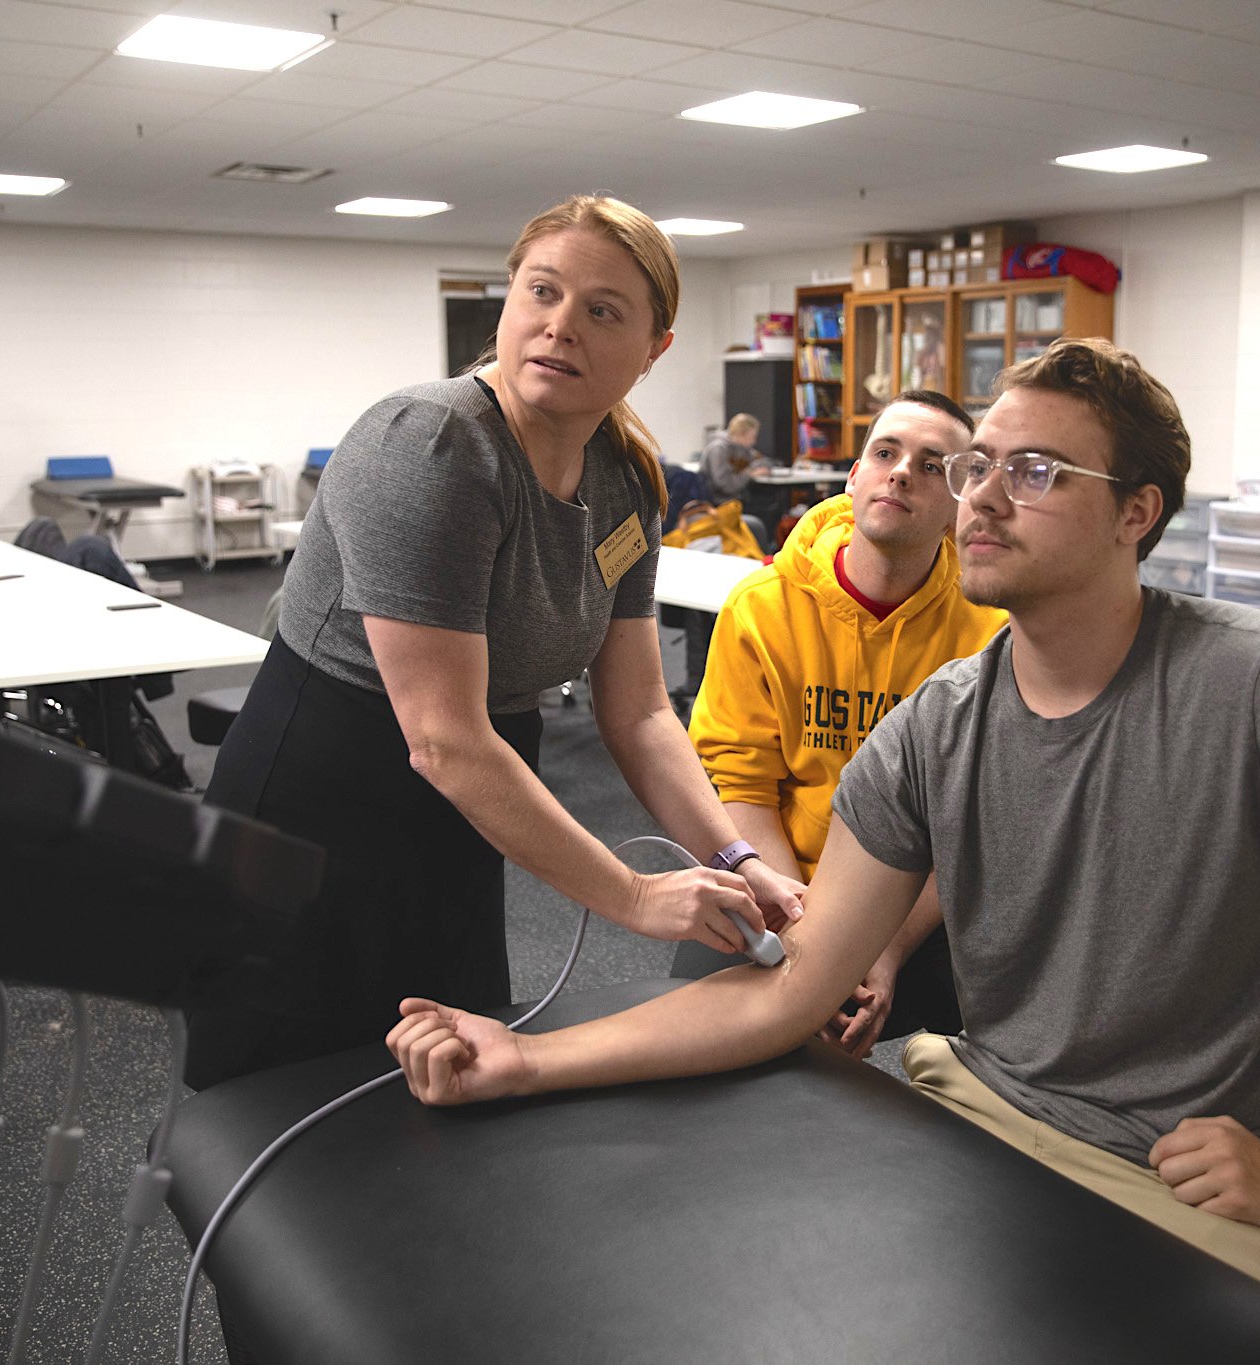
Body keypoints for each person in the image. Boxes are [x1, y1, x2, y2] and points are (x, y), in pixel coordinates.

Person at [388, 337, 1260, 1311]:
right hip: (976, 1113)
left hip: (1186, 1184)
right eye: (982, 468)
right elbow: (795, 987)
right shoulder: (935, 725)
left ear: (1135, 515)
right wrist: (524, 1060)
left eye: (1039, 473)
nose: (982, 498)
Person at [184, 194, 803, 1090]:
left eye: (602, 310)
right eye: (542, 293)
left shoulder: (625, 483)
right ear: (508, 303)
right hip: (322, 790)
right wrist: (632, 895)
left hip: (476, 800)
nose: (560, 327)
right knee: (278, 1095)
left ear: (654, 349)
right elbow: (441, 738)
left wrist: (736, 859)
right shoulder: (432, 445)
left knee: (452, 1067)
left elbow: (636, 713)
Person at [679, 389, 1005, 1057]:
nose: (901, 471)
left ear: (959, 502)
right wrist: (807, 937)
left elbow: (976, 823)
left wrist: (881, 947)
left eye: (931, 462)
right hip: (781, 885)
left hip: (916, 907)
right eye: (885, 452)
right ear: (854, 477)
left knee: (1011, 1057)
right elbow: (743, 786)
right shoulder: (761, 608)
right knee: (704, 1048)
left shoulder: (993, 633)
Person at [698, 413, 764, 504]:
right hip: (718, 503)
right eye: (752, 437)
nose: (754, 441)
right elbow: (725, 485)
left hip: (735, 499)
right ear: (742, 434)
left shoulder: (742, 449)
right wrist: (749, 473)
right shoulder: (718, 450)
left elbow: (759, 460)